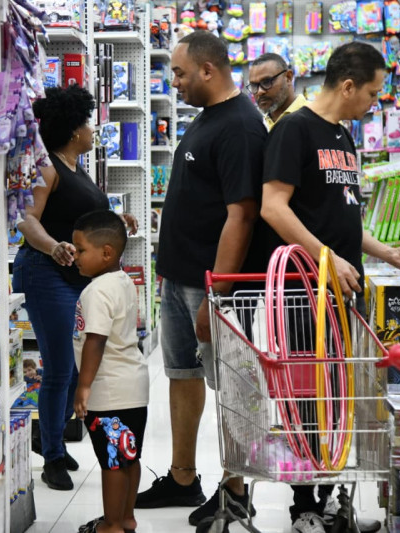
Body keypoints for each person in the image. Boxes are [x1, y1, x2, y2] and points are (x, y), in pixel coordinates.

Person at [261, 41, 400, 533]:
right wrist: (325, 259)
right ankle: (305, 509)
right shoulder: (294, 130)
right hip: (303, 291)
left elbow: (343, 218)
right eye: (373, 93)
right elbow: (274, 207)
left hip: (339, 293)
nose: (375, 102)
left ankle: (329, 501)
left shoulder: (342, 137)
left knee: (335, 396)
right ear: (348, 85)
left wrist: (388, 253)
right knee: (308, 399)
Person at [135, 30, 267, 527]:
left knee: (230, 387)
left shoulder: (240, 127)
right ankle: (183, 476)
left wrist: (219, 293)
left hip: (212, 286)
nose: (175, 82)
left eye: (180, 73)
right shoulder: (209, 118)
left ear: (208, 71)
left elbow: (243, 215)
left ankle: (235, 490)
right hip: (179, 275)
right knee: (182, 376)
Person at [13, 84, 138, 491]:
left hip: (72, 276)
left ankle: (49, 436)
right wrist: (54, 247)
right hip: (44, 271)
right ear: (72, 131)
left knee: (78, 364)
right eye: (86, 123)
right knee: (62, 366)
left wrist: (118, 225)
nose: (92, 130)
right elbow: (26, 220)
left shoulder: (77, 167)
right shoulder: (48, 167)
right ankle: (52, 456)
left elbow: (84, 217)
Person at [71, 210, 150, 533]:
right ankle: (127, 517)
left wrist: (84, 387)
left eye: (80, 250)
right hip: (133, 386)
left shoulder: (96, 291)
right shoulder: (123, 281)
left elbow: (96, 341)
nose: (74, 256)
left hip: (108, 392)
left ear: (106, 253)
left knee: (111, 463)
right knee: (129, 457)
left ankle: (111, 524)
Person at [247, 53, 307, 128]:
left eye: (267, 82)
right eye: (254, 85)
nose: (260, 91)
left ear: (288, 77)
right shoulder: (258, 125)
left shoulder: (314, 116)